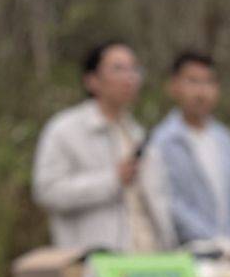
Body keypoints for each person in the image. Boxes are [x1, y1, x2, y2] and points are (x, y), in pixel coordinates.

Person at [32, 41, 172, 254]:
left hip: (150, 260)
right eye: (118, 69)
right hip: (97, 264)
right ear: (92, 81)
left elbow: (158, 205)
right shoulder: (65, 130)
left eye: (134, 69)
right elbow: (47, 191)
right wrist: (111, 180)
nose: (130, 78)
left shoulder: (137, 133)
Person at [149, 50, 230, 258]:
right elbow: (168, 202)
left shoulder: (227, 140)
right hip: (187, 255)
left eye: (208, 82)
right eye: (192, 81)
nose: (201, 91)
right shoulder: (161, 142)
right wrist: (214, 242)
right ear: (173, 86)